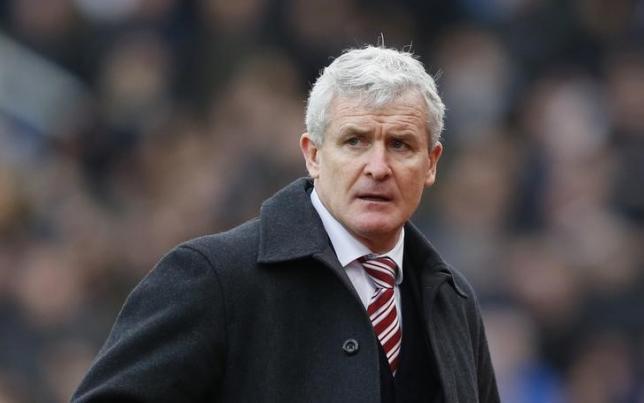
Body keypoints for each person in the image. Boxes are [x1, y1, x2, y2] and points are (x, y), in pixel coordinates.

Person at [72, 45, 500, 403]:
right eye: (355, 141)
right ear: (312, 155)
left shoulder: (453, 302)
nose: (377, 167)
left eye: (400, 145)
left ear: (431, 163)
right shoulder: (214, 277)